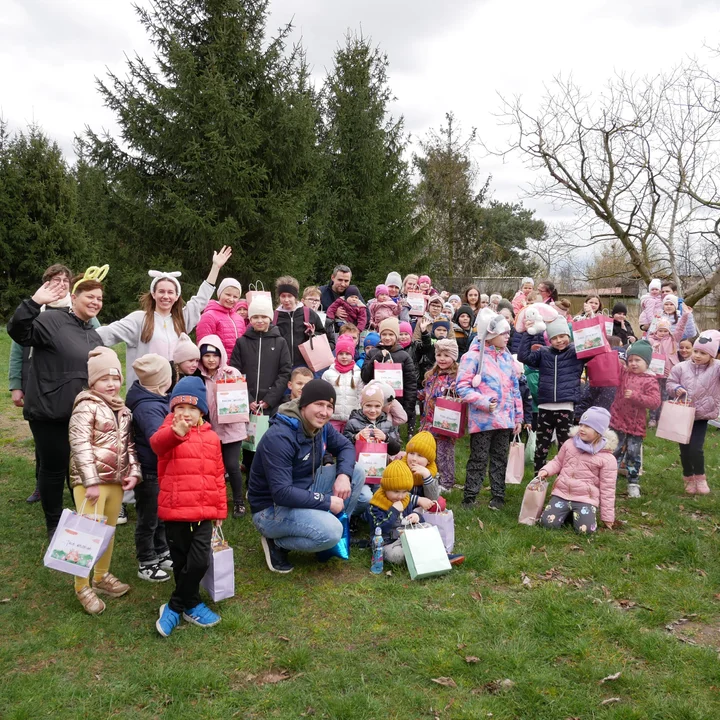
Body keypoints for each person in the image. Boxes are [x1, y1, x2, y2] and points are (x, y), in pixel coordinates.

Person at [7, 272, 104, 535]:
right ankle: (54, 522)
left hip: (81, 415)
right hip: (49, 412)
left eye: (99, 298)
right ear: (74, 297)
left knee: (80, 468)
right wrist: (34, 302)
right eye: (90, 296)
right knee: (53, 469)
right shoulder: (51, 320)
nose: (95, 302)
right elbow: (18, 330)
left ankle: (82, 517)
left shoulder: (93, 335)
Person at [248, 379, 367, 573]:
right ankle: (277, 543)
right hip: (271, 508)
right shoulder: (280, 436)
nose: (324, 412)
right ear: (304, 405)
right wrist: (326, 501)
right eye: (318, 404)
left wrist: (343, 476)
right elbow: (281, 493)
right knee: (331, 532)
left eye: (329, 406)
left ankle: (334, 528)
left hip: (304, 488)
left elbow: (346, 446)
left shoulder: (320, 427)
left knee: (357, 471)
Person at [151, 376, 226, 636]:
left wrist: (220, 509)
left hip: (204, 513)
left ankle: (174, 606)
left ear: (201, 412)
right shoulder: (168, 431)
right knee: (181, 561)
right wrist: (175, 432)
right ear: (172, 409)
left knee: (199, 563)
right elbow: (156, 445)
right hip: (175, 511)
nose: (185, 413)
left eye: (192, 409)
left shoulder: (212, 438)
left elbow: (218, 474)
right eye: (180, 407)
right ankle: (191, 603)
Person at [68, 347, 141, 614]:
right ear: (92, 382)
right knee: (86, 535)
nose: (111, 384)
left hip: (115, 482)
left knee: (107, 532)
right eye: (104, 379)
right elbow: (79, 445)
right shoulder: (86, 406)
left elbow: (129, 445)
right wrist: (90, 482)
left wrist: (134, 472)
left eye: (116, 378)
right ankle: (81, 585)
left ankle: (100, 576)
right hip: (91, 485)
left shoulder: (123, 410)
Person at [97, 247, 231, 386]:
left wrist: (215, 267)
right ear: (153, 294)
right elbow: (107, 333)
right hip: (145, 392)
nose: (165, 296)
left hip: (174, 390)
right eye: (161, 291)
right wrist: (78, 333)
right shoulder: (139, 320)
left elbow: (200, 301)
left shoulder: (182, 319)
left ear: (176, 296)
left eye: (170, 292)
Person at [7, 263, 78, 503]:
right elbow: (17, 350)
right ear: (45, 284)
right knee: (44, 441)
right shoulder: (34, 311)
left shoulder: (78, 309)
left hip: (70, 389)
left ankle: (74, 486)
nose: (60, 285)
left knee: (72, 441)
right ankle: (42, 484)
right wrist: (16, 384)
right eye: (55, 281)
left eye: (65, 281)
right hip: (36, 383)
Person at [456, 309, 523, 509]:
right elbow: (462, 387)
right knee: (478, 457)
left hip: (504, 419)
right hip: (483, 419)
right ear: (491, 335)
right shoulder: (473, 357)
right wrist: (483, 401)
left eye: (507, 333)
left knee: (500, 457)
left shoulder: (507, 358)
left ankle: (498, 495)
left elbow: (514, 388)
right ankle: (470, 495)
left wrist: (518, 417)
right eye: (503, 333)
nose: (507, 336)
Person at [229, 295, 292, 475]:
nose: (260, 320)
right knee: (249, 443)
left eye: (264, 317)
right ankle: (250, 478)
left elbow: (285, 371)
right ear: (250, 319)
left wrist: (269, 399)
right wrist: (247, 399)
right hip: (248, 403)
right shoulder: (242, 342)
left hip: (270, 404)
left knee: (269, 441)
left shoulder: (279, 342)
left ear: (270, 318)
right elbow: (235, 370)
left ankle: (267, 476)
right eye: (255, 317)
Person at [126, 354, 174, 583]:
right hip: (149, 471)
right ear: (162, 381)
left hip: (159, 470)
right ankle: (146, 561)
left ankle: (162, 551)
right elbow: (158, 439)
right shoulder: (148, 408)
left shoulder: (158, 399)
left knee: (161, 514)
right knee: (149, 518)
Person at [518, 314, 585, 472]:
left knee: (565, 446)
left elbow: (595, 348)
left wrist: (587, 327)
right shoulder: (543, 353)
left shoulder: (576, 352)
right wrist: (529, 333)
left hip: (566, 408)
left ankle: (565, 478)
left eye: (562, 336)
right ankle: (538, 478)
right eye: (555, 338)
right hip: (545, 408)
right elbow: (523, 356)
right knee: (542, 447)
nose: (559, 341)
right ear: (550, 339)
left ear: (568, 335)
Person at [538, 407, 617, 534]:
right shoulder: (569, 444)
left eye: (587, 426)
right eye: (581, 424)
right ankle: (568, 513)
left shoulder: (607, 458)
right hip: (562, 493)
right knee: (547, 523)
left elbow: (608, 489)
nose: (581, 428)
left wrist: (607, 517)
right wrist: (546, 470)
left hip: (585, 498)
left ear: (598, 431)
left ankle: (576, 514)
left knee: (585, 530)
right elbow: (558, 461)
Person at [198, 336, 248, 518]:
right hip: (211, 431)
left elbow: (240, 397)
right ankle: (214, 500)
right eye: (206, 355)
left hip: (232, 430)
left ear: (221, 356)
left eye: (215, 355)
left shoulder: (230, 372)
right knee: (212, 467)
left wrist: (232, 376)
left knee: (232, 465)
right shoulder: (199, 377)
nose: (211, 359)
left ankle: (238, 501)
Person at [667, 331, 720, 495]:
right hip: (682, 413)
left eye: (703, 353)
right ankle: (688, 477)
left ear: (712, 355)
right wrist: (676, 388)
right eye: (696, 351)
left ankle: (700, 477)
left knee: (696, 448)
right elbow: (670, 382)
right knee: (684, 450)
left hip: (702, 415)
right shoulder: (680, 367)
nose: (697, 355)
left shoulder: (717, 368)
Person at [609, 340, 661, 498]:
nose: (633, 363)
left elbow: (654, 403)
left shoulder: (650, 381)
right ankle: (609, 479)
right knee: (613, 452)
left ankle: (633, 482)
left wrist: (636, 396)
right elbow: (614, 364)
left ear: (647, 362)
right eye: (630, 360)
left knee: (633, 454)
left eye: (638, 360)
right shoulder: (624, 374)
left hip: (635, 426)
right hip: (617, 420)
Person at [365, 460, 438, 565]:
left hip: (406, 538)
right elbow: (379, 527)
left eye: (404, 492)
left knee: (428, 526)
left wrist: (416, 517)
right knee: (396, 555)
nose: (400, 496)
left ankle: (435, 553)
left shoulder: (405, 500)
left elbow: (412, 517)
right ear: (386, 488)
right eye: (396, 492)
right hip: (387, 544)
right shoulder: (375, 505)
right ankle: (422, 554)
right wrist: (393, 511)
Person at [418, 338, 459, 493]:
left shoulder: (455, 377)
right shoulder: (432, 375)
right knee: (429, 451)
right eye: (439, 355)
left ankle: (447, 482)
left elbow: (458, 397)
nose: (442, 359)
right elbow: (427, 393)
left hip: (445, 422)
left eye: (446, 355)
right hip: (427, 420)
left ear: (454, 357)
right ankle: (432, 476)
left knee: (444, 452)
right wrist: (420, 395)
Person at [360, 317, 418, 423]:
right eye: (384, 334)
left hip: (395, 401)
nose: (387, 338)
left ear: (396, 336)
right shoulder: (372, 353)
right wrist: (376, 358)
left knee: (392, 431)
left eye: (391, 334)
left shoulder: (404, 356)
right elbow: (364, 376)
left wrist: (408, 408)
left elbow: (411, 384)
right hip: (374, 400)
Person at [273, 276, 334, 369]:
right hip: (281, 365)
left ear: (295, 296)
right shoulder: (274, 316)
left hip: (305, 365)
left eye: (289, 296)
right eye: (283, 296)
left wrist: (312, 334)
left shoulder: (309, 313)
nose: (286, 300)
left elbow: (324, 336)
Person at [647, 307, 693, 427]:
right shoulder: (651, 341)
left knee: (666, 396)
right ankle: (652, 418)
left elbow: (680, 328)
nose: (663, 333)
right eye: (660, 330)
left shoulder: (673, 339)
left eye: (665, 331)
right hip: (655, 373)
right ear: (656, 331)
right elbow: (649, 336)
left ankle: (663, 418)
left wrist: (685, 316)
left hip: (669, 373)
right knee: (655, 395)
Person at [321, 335, 362, 434]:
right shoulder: (328, 374)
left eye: (347, 354)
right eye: (341, 353)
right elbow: (324, 396)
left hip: (352, 419)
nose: (344, 357)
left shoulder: (358, 374)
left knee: (349, 444)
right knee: (332, 444)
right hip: (333, 418)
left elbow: (361, 395)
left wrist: (359, 413)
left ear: (352, 355)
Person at [195, 278, 246, 357]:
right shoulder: (209, 316)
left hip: (237, 366)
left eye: (235, 297)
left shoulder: (239, 319)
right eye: (228, 295)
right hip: (217, 366)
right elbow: (204, 345)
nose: (231, 299)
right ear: (219, 294)